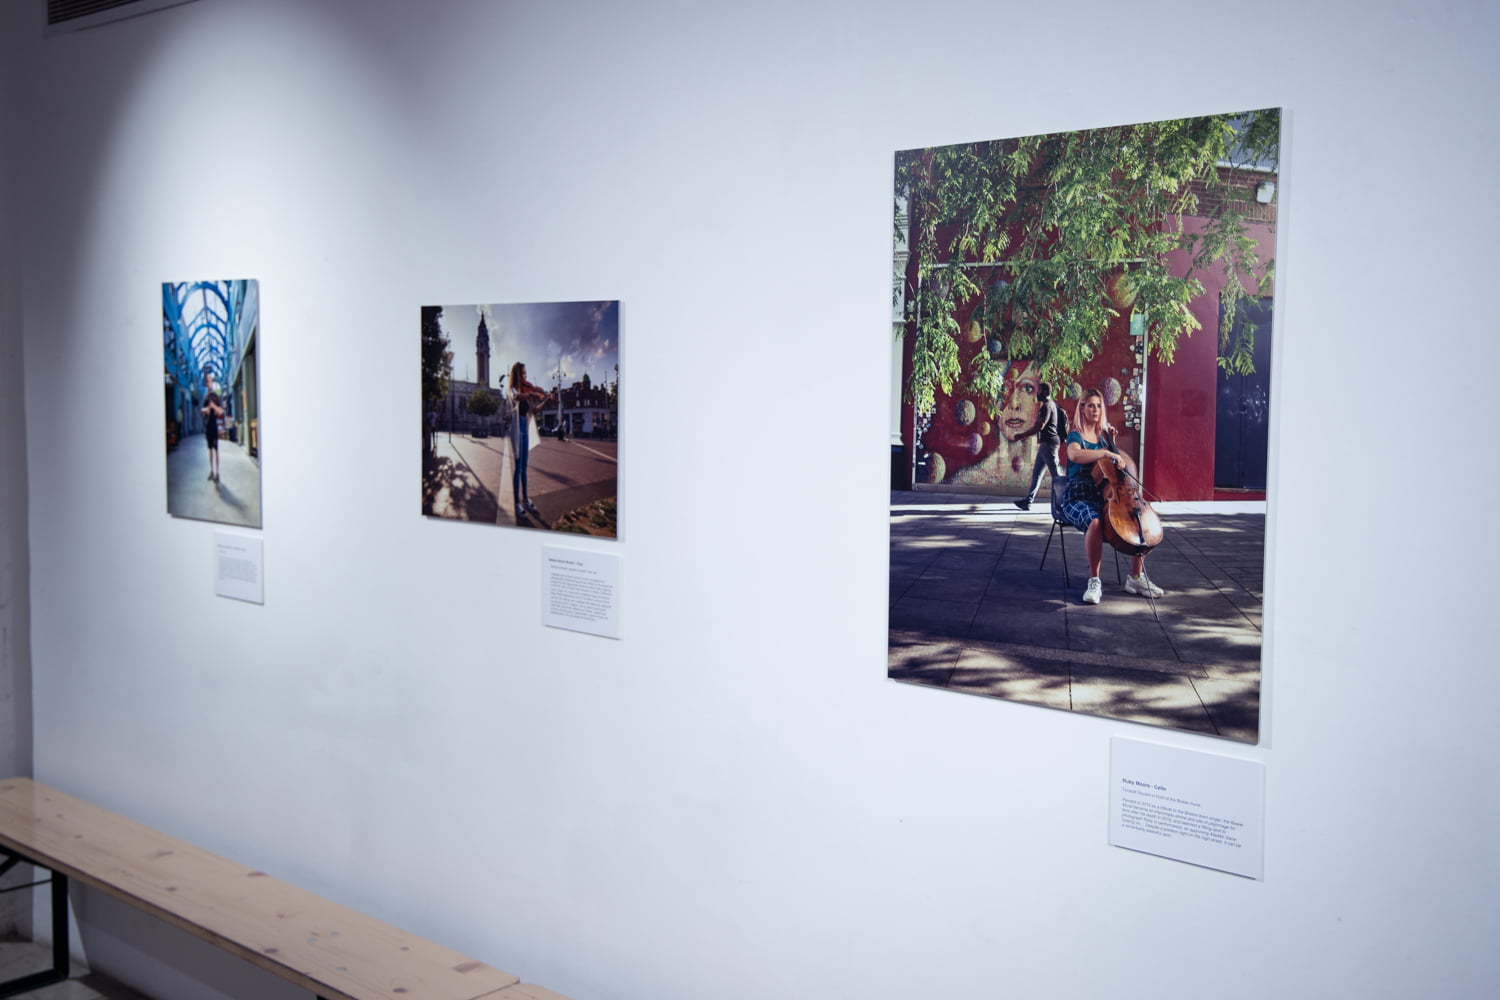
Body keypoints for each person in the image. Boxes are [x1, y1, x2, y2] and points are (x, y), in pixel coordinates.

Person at [1060, 387, 1165, 605]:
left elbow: (1119, 470)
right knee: (1096, 522)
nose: (1095, 410)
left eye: (1098, 406)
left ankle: (1135, 578)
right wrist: (1106, 452)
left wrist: (1112, 445)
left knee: (1137, 521)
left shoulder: (1104, 437)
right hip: (1077, 497)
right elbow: (1074, 454)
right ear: (1082, 408)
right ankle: (1094, 581)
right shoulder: (1075, 435)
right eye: (1090, 405)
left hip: (1102, 496)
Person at [508, 362, 554, 520]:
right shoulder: (513, 389)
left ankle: (526, 499)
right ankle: (516, 502)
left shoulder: (526, 389)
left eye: (525, 374)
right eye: (522, 374)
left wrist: (546, 401)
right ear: (516, 374)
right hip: (517, 429)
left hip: (526, 429)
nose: (524, 377)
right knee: (518, 467)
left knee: (525, 468)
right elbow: (516, 397)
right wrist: (531, 394)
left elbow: (533, 411)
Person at [1014, 381, 1066, 510]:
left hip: (1049, 445)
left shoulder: (1047, 406)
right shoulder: (1050, 405)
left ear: (1046, 392)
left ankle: (1066, 503)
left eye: (1040, 391)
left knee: (1057, 477)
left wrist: (1022, 435)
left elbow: (1040, 426)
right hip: (1046, 445)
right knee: (1037, 473)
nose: (1037, 393)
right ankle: (1028, 501)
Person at [201, 374, 223, 483]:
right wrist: (206, 410)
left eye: (210, 381)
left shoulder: (215, 396)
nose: (209, 383)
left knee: (216, 449)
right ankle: (211, 471)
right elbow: (202, 409)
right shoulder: (205, 397)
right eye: (207, 381)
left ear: (212, 382)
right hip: (208, 426)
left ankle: (217, 473)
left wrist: (214, 407)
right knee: (210, 450)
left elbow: (221, 411)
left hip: (214, 427)